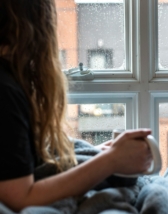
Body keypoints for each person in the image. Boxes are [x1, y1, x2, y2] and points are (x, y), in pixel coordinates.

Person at [0, 0, 152, 212]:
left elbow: (15, 167)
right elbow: (20, 197)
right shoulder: (5, 91)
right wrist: (110, 161)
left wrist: (97, 156)